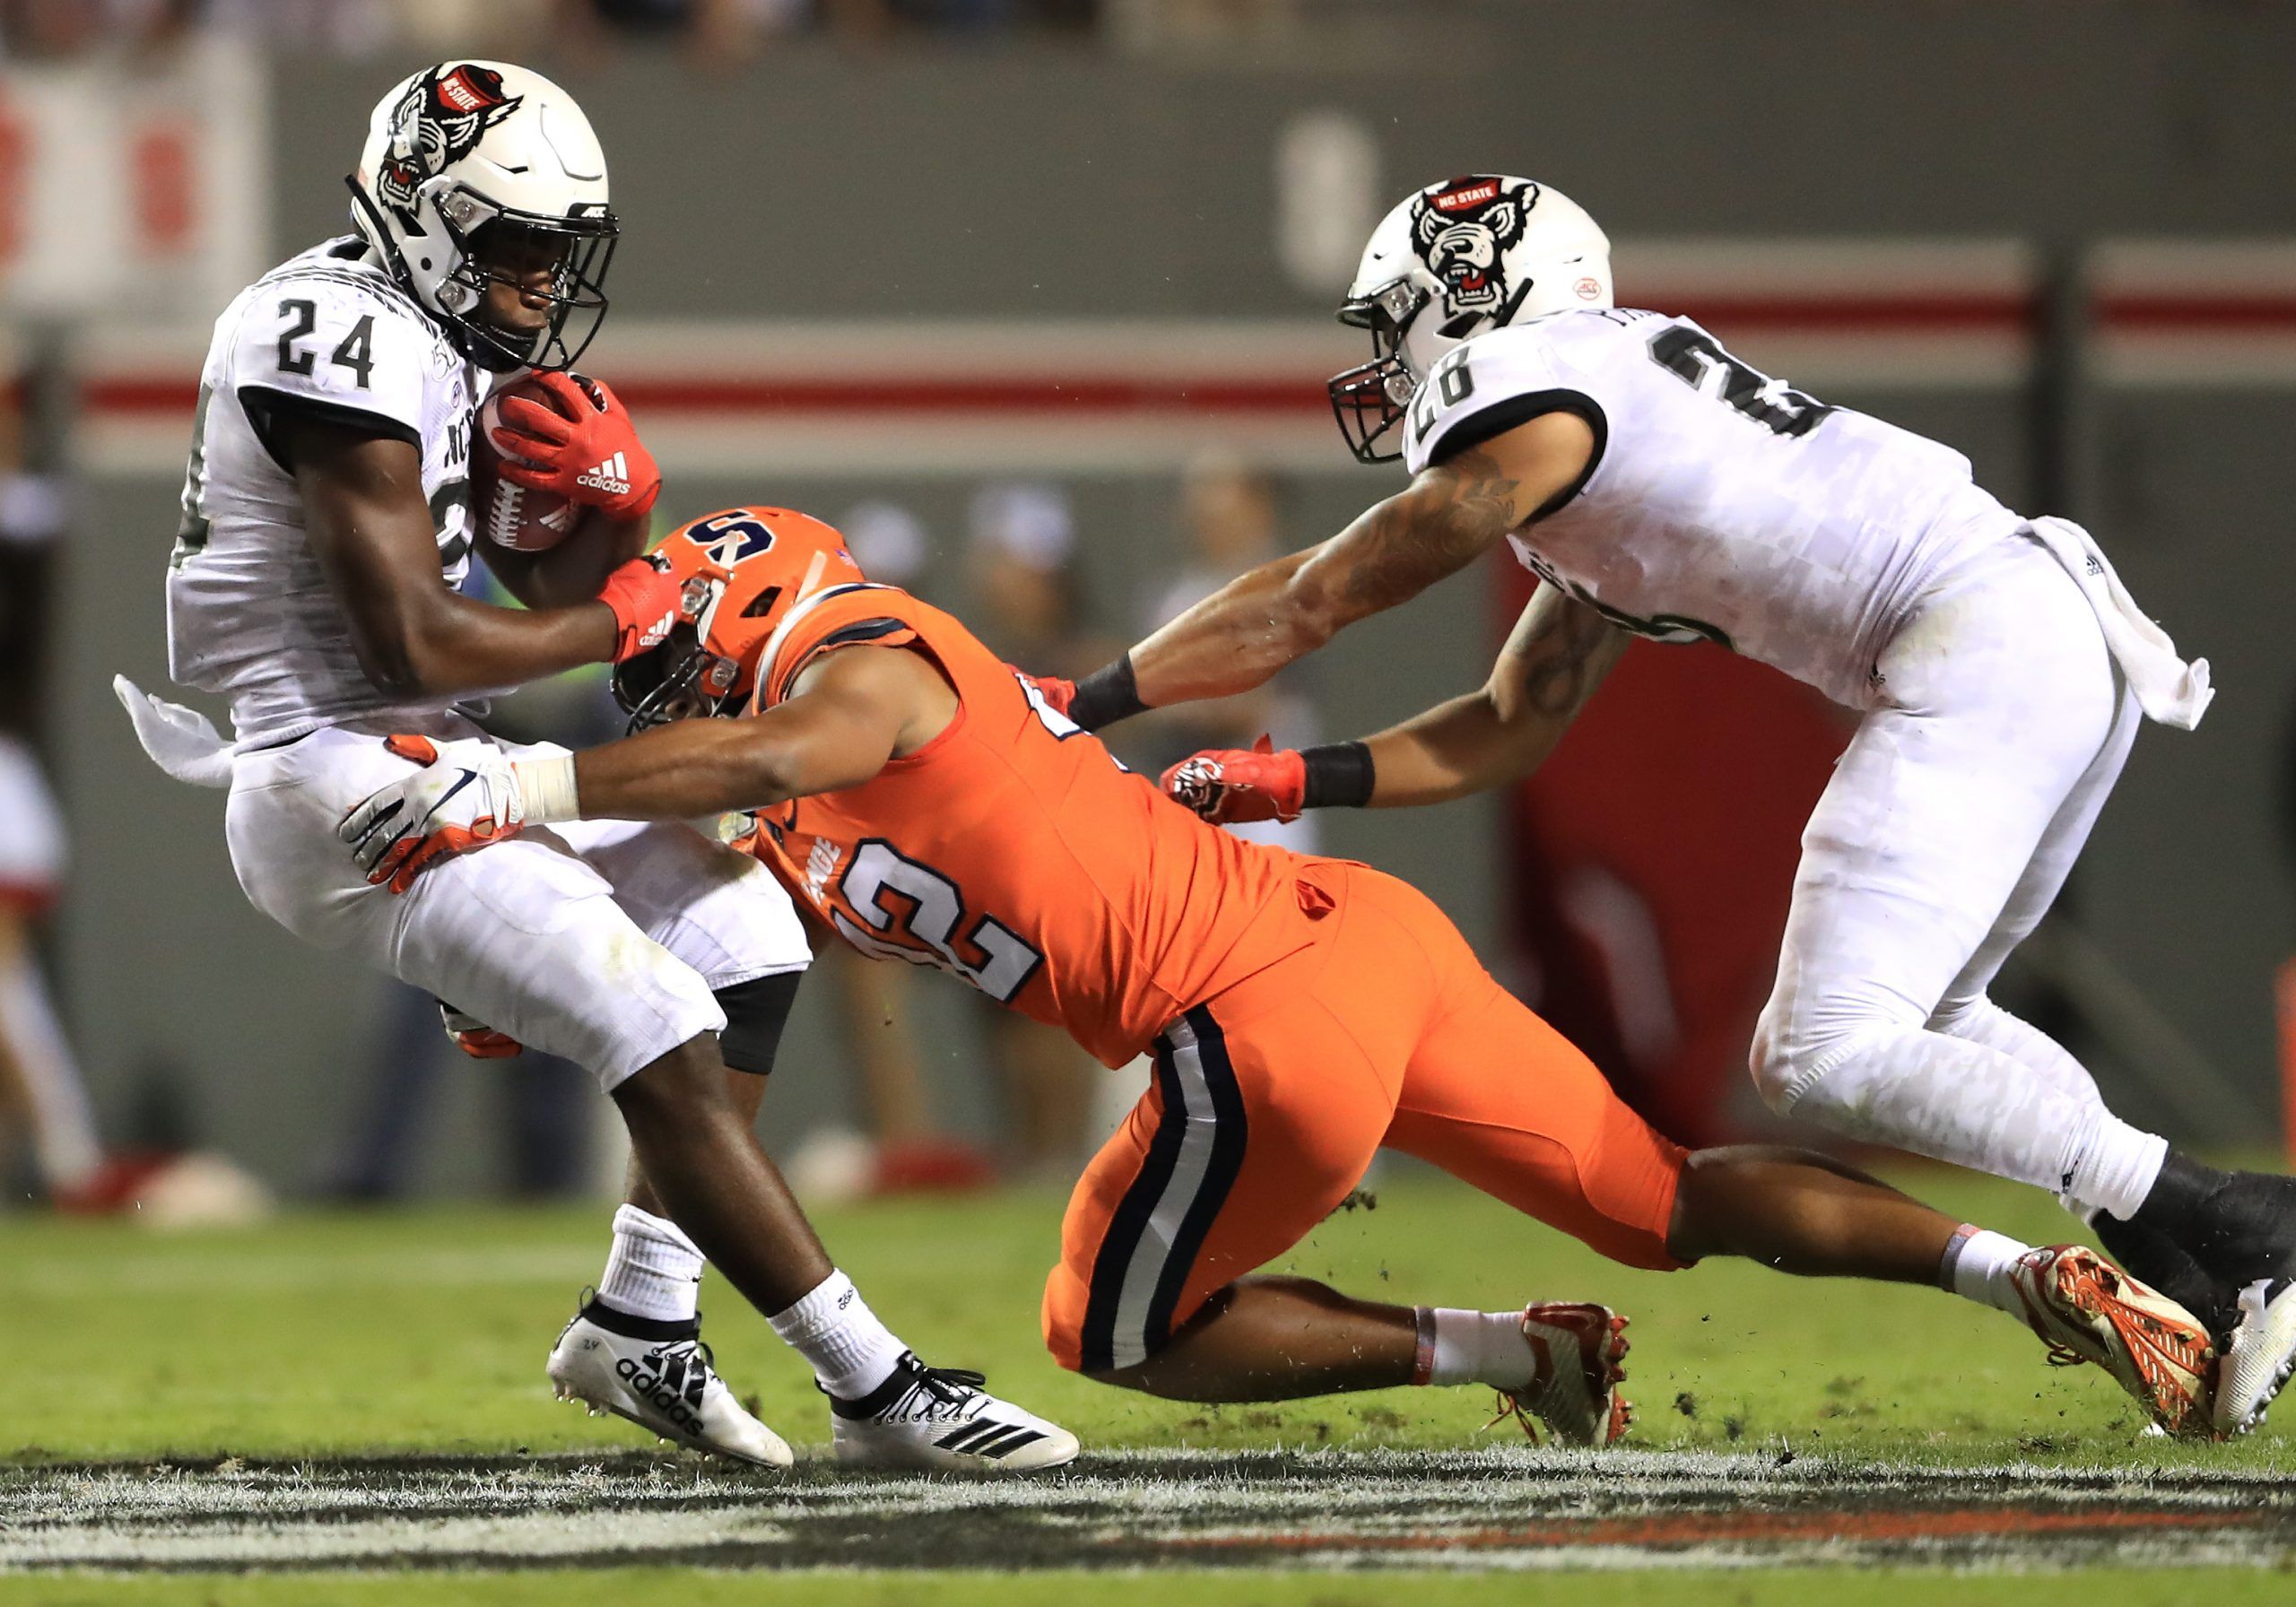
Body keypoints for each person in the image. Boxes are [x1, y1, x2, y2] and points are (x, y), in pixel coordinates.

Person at [340, 505, 2222, 1441]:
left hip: (1250, 1021)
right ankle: (2024, 1265)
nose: (667, 689)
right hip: (1351, 953)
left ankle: (1498, 1349)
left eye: (676, 654)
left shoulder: (870, 660)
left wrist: (525, 778)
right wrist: (554, 962)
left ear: (754, 613)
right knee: (1660, 1195)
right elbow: (753, 910)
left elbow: (758, 758)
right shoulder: (826, 779)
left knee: (1111, 1331)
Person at [1038, 172, 2294, 1438]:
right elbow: (1511, 722)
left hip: (1979, 640)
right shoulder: (1603, 430)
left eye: (1400, 313)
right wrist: (1306, 776)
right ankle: (2200, 1266)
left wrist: (1082, 701)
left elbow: (1316, 597)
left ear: (1481, 292)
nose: (1387, 352)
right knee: (1940, 1022)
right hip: (2032, 631)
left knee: (1821, 1050)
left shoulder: (1533, 399)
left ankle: (2247, 1225)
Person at [116, 60, 1071, 1472]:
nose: (541, 278)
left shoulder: (428, 330)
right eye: (515, 245)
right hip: (327, 773)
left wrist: (605, 530)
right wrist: (621, 608)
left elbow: (503, 581)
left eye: (558, 249)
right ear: (425, 216)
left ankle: (642, 1323)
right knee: (654, 1019)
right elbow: (411, 641)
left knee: (745, 927)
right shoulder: (324, 332)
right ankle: (880, 1393)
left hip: (431, 748)